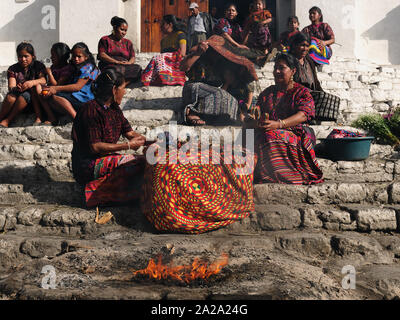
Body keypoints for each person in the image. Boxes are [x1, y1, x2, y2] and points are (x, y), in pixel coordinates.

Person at [71, 69, 148, 208]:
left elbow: (130, 134)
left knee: (147, 163)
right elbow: (95, 147)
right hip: (87, 164)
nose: (125, 92)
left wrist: (154, 142)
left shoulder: (114, 109)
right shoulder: (90, 109)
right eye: (123, 88)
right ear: (114, 89)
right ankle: (94, 192)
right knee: (137, 162)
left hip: (106, 159)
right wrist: (128, 146)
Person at [245, 53, 323, 185]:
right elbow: (257, 111)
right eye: (275, 68)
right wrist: (254, 119)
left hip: (295, 133)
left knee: (270, 136)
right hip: (267, 130)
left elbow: (304, 114)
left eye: (281, 68)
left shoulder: (302, 92)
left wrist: (279, 124)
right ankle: (256, 171)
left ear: (293, 71)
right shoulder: (268, 92)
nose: (277, 71)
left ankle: (281, 173)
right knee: (247, 136)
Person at [180, 36, 258, 125]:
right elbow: (183, 67)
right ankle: (192, 112)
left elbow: (244, 78)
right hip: (194, 89)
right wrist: (198, 53)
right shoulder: (200, 55)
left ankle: (208, 116)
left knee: (230, 100)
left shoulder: (222, 65)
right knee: (219, 94)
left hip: (210, 94)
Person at [45, 42, 99, 120]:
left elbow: (77, 87)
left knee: (56, 97)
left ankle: (76, 118)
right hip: (75, 97)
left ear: (86, 57)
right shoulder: (75, 67)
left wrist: (56, 88)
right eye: (74, 56)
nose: (76, 59)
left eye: (79, 56)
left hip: (84, 98)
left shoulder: (88, 68)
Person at [0, 42, 46, 127]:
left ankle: (7, 120)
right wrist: (17, 88)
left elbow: (43, 80)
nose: (23, 59)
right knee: (10, 97)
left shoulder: (38, 66)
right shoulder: (13, 69)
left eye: (26, 56)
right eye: (20, 56)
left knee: (25, 95)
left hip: (35, 100)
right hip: (17, 99)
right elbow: (11, 86)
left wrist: (31, 83)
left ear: (32, 56)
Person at [141, 15, 187, 86]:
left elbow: (182, 53)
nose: (161, 27)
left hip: (177, 62)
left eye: (163, 24)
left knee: (158, 58)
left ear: (170, 25)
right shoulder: (163, 40)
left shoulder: (180, 35)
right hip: (164, 65)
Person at [37, 42, 74, 125]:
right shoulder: (54, 67)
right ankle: (50, 116)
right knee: (37, 88)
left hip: (60, 94)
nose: (51, 57)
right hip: (51, 90)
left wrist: (49, 74)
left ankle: (52, 117)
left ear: (60, 56)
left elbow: (57, 86)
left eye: (53, 55)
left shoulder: (67, 69)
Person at [98, 16, 142, 84]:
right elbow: (102, 55)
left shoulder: (128, 42)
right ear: (115, 28)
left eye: (125, 30)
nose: (124, 32)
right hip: (110, 65)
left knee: (138, 69)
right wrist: (116, 62)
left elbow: (132, 57)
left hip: (125, 66)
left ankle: (124, 83)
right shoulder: (105, 39)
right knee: (114, 70)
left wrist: (129, 63)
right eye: (122, 29)